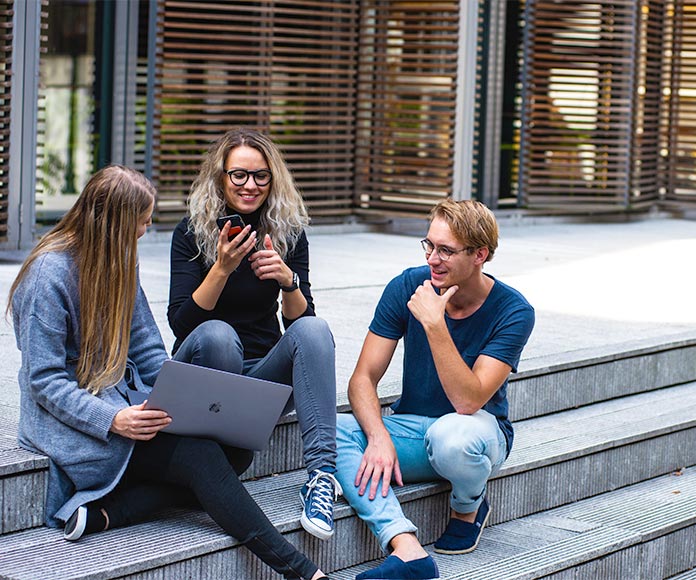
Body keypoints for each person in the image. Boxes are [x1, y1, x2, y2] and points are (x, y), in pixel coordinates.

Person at [8, 165, 330, 580]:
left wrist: (175, 397)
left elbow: (146, 349)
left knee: (237, 453)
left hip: (127, 405)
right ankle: (301, 570)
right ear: (115, 222)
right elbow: (44, 380)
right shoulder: (47, 275)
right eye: (141, 223)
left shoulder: (119, 260)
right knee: (201, 457)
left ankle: (112, 512)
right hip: (76, 423)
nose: (144, 232)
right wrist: (113, 419)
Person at [335, 199, 535, 580]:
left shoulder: (514, 311)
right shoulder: (407, 285)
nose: (433, 259)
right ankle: (405, 547)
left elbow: (468, 400)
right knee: (332, 429)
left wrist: (434, 324)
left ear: (480, 254)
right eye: (429, 245)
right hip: (412, 428)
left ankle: (468, 505)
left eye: (445, 250)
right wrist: (377, 437)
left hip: (475, 432)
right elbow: (362, 378)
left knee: (452, 436)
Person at [167, 127, 341, 541]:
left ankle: (320, 478)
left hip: (260, 381)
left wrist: (288, 281)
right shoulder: (191, 232)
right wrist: (222, 268)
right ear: (220, 177)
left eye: (261, 176)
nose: (250, 185)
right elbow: (182, 324)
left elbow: (301, 327)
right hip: (205, 373)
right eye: (239, 175)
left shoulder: (288, 232)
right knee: (218, 335)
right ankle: (211, 461)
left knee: (315, 330)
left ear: (273, 178)